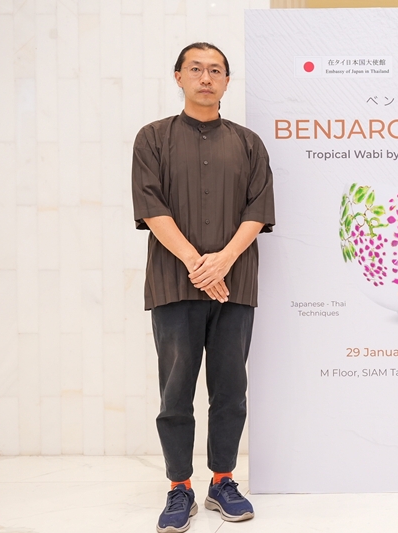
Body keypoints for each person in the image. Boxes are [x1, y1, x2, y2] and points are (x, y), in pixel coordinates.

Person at [132, 42, 275, 533]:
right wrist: (198, 265)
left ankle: (222, 481)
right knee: (175, 392)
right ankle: (179, 487)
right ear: (179, 77)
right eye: (196, 69)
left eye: (216, 70)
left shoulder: (249, 143)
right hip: (174, 283)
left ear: (227, 82)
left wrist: (224, 261)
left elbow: (259, 209)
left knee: (231, 389)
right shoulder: (152, 138)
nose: (206, 78)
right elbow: (151, 206)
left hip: (236, 284)